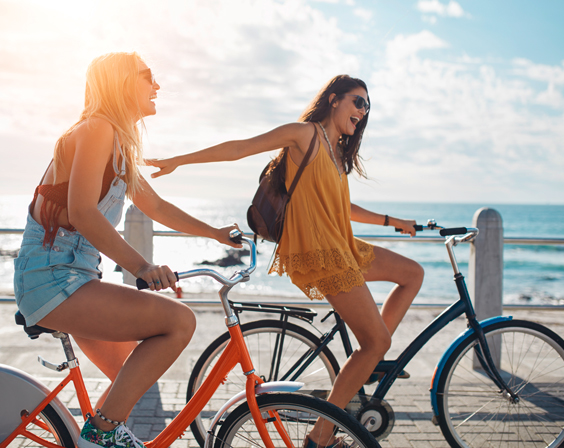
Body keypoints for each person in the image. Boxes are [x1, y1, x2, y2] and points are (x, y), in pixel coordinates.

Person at [147, 74, 424, 447]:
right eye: (358, 101)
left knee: (412, 273)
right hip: (321, 254)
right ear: (334, 99)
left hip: (344, 246)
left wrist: (393, 222)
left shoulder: (337, 150)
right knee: (375, 342)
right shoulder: (304, 135)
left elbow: (345, 207)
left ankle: (369, 362)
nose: (363, 111)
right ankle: (321, 435)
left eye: (368, 106)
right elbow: (241, 148)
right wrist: (179, 160)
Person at [13, 52, 240, 448]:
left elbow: (156, 207)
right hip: (52, 279)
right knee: (180, 322)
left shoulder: (118, 143)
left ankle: (96, 437)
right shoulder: (97, 129)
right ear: (121, 83)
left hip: (76, 278)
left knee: (126, 383)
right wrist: (143, 267)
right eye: (148, 76)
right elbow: (83, 212)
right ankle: (101, 434)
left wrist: (215, 233)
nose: (157, 85)